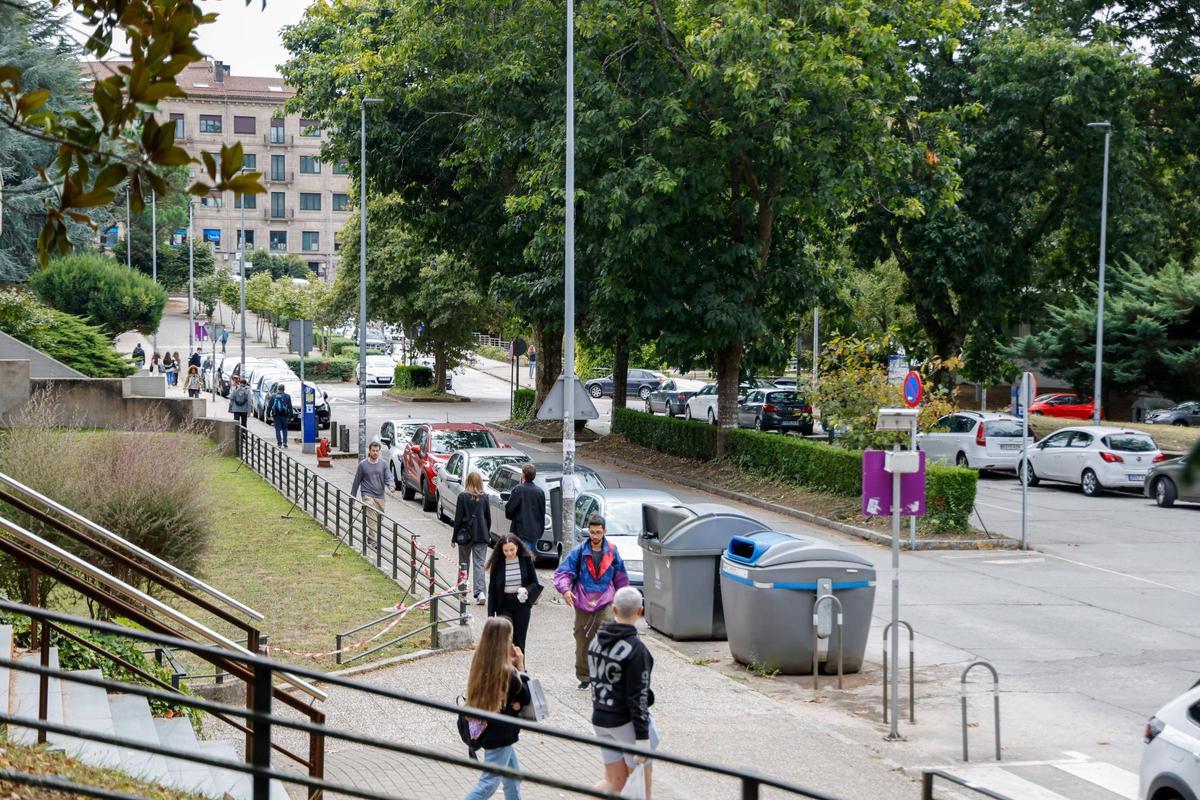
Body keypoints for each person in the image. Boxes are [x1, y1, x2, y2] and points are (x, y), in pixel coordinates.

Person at [590, 586, 658, 798]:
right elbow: (638, 698)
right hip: (625, 722)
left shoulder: (596, 641)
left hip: (600, 718)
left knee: (614, 782)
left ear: (614, 609)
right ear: (640, 611)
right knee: (641, 787)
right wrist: (643, 738)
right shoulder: (636, 650)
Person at [553, 514, 630, 689]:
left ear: (604, 532)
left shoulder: (612, 551)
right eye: (592, 532)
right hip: (583, 601)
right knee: (582, 640)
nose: (595, 536)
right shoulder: (579, 551)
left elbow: (620, 577)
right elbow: (563, 572)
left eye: (598, 532)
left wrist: (623, 599)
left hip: (606, 601)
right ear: (588, 531)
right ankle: (585, 676)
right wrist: (565, 590)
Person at [463, 616, 529, 800]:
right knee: (489, 783)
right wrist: (521, 666)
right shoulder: (507, 672)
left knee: (513, 777)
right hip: (501, 734)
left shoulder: (480, 660)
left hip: (489, 729)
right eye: (509, 638)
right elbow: (526, 697)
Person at [486, 535, 540, 653]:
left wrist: (526, 590)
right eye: (506, 550)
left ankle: (520, 669)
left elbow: (535, 583)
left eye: (512, 550)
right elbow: (492, 590)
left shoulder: (525, 559)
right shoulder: (498, 563)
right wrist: (490, 614)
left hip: (522, 604)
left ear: (517, 547)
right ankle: (505, 669)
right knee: (505, 639)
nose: (509, 553)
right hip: (504, 604)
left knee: (519, 642)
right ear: (501, 550)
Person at [454, 471, 493, 605]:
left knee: (464, 563)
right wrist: (487, 534)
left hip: (465, 535)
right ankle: (480, 592)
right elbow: (488, 519)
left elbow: (458, 519)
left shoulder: (462, 497)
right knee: (479, 564)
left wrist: (454, 538)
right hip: (481, 535)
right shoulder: (485, 497)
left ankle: (463, 593)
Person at [350, 438, 391, 546]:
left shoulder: (383, 464)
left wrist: (391, 485)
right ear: (370, 451)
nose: (375, 453)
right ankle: (373, 541)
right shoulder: (363, 465)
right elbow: (356, 482)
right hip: (367, 495)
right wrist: (352, 498)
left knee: (378, 519)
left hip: (380, 497)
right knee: (371, 518)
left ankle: (370, 537)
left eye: (377, 451)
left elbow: (388, 478)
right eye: (373, 451)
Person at [504, 464, 546, 557]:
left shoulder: (519, 489)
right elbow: (542, 511)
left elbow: (510, 508)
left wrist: (512, 516)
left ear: (523, 475)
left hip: (521, 530)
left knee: (521, 558)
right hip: (535, 531)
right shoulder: (540, 492)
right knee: (528, 556)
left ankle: (524, 571)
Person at [266, 382, 293, 447]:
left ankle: (279, 443)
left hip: (276, 415)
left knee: (277, 429)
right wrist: (291, 416)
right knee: (284, 428)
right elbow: (290, 406)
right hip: (284, 415)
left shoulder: (273, 396)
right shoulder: (287, 396)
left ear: (278, 389)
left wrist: (268, 415)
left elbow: (269, 406)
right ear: (284, 389)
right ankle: (285, 442)